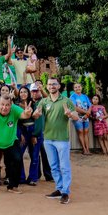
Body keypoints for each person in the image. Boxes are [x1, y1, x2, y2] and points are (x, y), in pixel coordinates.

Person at [33, 76, 79, 204]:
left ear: (58, 86)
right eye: (49, 84)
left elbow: (76, 117)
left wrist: (70, 114)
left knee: (64, 167)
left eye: (54, 84)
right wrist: (35, 115)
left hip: (62, 140)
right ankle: (59, 189)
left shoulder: (66, 101)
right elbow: (36, 114)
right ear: (47, 87)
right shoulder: (44, 101)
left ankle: (66, 192)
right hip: (48, 139)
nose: (51, 86)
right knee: (53, 167)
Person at [69, 83, 92, 155]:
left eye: (79, 87)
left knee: (86, 132)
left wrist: (88, 114)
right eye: (75, 87)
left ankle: (88, 149)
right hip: (77, 116)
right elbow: (75, 107)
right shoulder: (72, 97)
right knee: (81, 132)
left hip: (86, 116)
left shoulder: (85, 96)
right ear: (73, 89)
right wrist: (86, 112)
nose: (77, 88)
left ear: (81, 87)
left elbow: (90, 106)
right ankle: (84, 149)